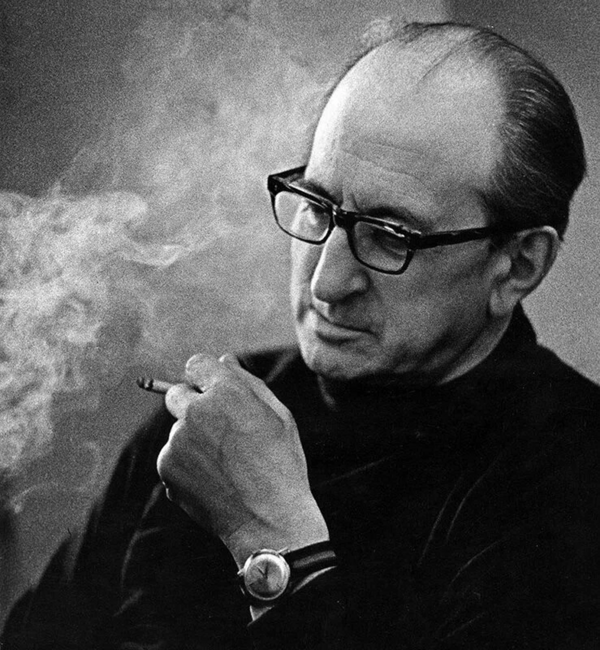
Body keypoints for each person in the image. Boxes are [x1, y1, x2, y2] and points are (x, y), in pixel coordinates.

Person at [3, 20, 600, 650]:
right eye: (317, 206)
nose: (326, 283)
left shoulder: (572, 485)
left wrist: (270, 539)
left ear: (518, 265)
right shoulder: (218, 424)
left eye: (389, 236)